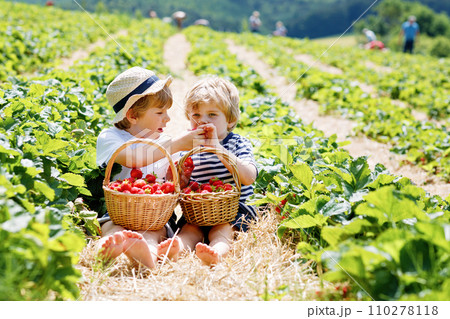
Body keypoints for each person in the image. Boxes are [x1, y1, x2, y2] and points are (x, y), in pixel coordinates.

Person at [96, 66, 205, 268]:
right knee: (112, 227)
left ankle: (147, 254)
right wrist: (175, 145)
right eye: (159, 112)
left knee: (156, 233)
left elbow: (166, 183)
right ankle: (108, 245)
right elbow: (134, 158)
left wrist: (179, 177)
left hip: (155, 217)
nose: (167, 118)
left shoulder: (162, 141)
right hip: (118, 212)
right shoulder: (110, 138)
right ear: (132, 116)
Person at [157, 76, 258, 266]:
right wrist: (181, 179)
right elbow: (183, 188)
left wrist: (218, 149)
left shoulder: (237, 144)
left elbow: (249, 177)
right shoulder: (190, 148)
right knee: (189, 230)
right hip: (199, 212)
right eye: (196, 115)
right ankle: (177, 248)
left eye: (212, 115)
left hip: (233, 211)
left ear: (230, 120)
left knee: (222, 230)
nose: (202, 121)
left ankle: (218, 252)